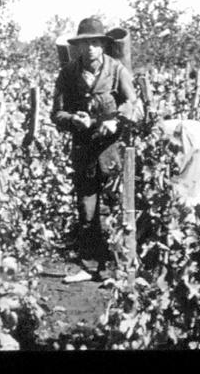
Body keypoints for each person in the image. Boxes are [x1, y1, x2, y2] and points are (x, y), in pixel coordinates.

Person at [51, 17, 137, 283]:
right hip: (83, 147)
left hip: (111, 148)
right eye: (85, 43)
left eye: (95, 43)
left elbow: (134, 105)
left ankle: (114, 268)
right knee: (86, 209)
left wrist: (114, 122)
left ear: (103, 46)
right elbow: (57, 113)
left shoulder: (117, 70)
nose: (90, 48)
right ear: (78, 46)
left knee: (113, 207)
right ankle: (89, 266)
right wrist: (72, 119)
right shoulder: (68, 74)